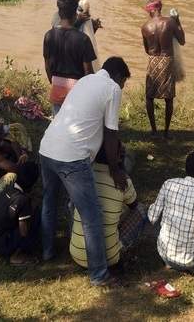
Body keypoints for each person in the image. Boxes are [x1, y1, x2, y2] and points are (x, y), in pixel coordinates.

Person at [38, 57, 131, 287]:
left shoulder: (86, 80)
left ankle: (47, 253)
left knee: (49, 202)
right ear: (119, 77)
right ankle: (99, 275)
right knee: (92, 216)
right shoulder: (112, 89)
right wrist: (115, 169)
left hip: (47, 147)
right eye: (124, 83)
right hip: (72, 157)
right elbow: (110, 134)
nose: (122, 88)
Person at [69, 142, 140, 270]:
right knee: (141, 211)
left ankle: (78, 239)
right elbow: (134, 206)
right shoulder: (123, 180)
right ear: (118, 157)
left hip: (76, 254)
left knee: (71, 204)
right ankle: (121, 251)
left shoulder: (84, 174)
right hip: (108, 259)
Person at [43, 0, 97, 115]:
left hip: (56, 85)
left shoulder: (49, 35)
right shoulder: (83, 39)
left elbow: (47, 66)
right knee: (76, 125)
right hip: (77, 89)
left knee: (57, 122)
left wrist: (54, 83)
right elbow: (88, 72)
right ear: (75, 15)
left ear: (59, 14)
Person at [141, 0, 186, 137]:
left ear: (150, 10)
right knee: (169, 98)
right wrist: (178, 20)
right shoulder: (170, 22)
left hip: (153, 61)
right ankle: (166, 132)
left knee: (149, 97)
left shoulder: (145, 27)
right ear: (159, 8)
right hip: (167, 61)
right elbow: (182, 41)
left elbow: (147, 50)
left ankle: (154, 131)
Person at [0, 161, 42, 265]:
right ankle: (17, 255)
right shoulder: (23, 200)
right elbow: (23, 231)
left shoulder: (9, 187)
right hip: (3, 244)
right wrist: (29, 212)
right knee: (36, 216)